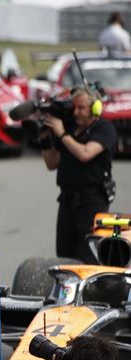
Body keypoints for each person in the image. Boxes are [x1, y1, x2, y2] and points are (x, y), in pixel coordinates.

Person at [40, 88, 116, 262]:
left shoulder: (104, 129)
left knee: (89, 254)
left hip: (92, 201)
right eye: (74, 108)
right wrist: (45, 139)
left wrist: (61, 133)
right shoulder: (70, 128)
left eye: (81, 108)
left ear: (95, 108)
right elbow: (52, 163)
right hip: (67, 200)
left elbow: (85, 154)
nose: (76, 113)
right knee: (64, 253)